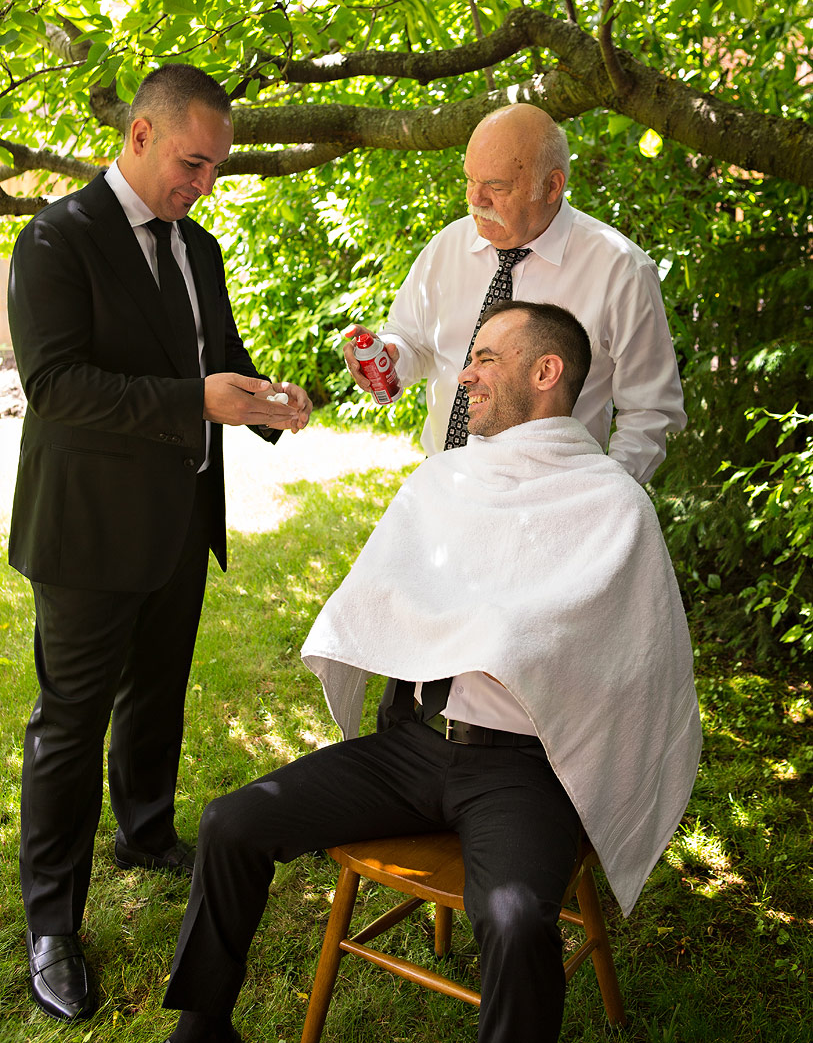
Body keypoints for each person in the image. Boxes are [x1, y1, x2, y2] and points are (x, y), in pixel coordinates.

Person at [159, 301, 701, 1043]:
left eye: (485, 360)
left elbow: (632, 664)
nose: (466, 375)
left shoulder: (611, 503)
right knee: (229, 823)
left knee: (512, 921)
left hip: (521, 771)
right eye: (468, 358)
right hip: (411, 748)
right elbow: (385, 595)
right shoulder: (445, 480)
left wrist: (505, 632)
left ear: (546, 374)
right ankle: (201, 1026)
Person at [7, 63, 313, 1023]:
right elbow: (56, 386)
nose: (204, 184)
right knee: (69, 725)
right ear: (140, 136)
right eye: (193, 162)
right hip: (87, 532)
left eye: (216, 168)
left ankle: (142, 831)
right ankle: (52, 920)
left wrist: (269, 403)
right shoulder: (54, 238)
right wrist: (198, 402)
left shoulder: (201, 246)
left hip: (181, 520)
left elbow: (213, 359)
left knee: (158, 693)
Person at [343, 103, 686, 484]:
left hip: (553, 494)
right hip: (443, 481)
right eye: (470, 180)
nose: (476, 199)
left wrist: (601, 497)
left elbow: (650, 412)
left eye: (496, 186)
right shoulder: (448, 246)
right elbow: (411, 340)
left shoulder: (619, 269)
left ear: (552, 186)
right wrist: (390, 355)